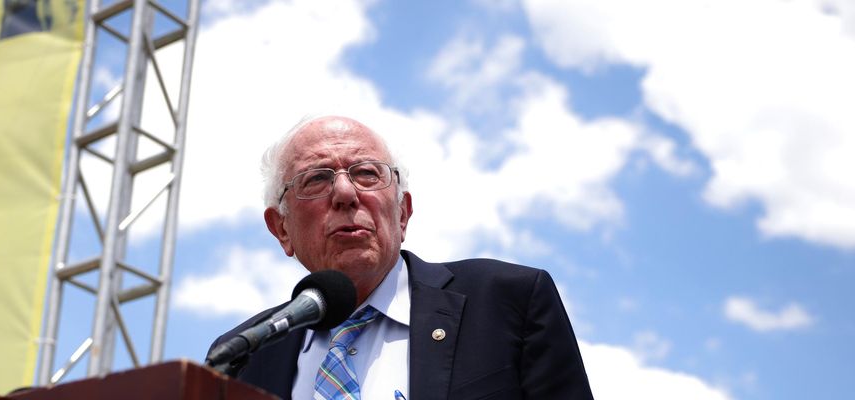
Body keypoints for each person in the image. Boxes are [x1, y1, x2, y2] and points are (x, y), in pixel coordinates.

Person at [207, 116, 593, 400]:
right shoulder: (244, 354)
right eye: (317, 179)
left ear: (403, 213)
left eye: (367, 173)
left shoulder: (507, 301)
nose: (345, 193)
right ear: (282, 229)